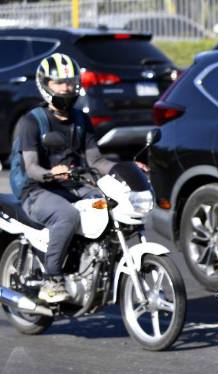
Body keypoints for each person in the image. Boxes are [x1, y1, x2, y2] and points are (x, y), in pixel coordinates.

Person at [17, 53, 119, 303]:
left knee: (111, 206)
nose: (67, 87)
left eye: (71, 81)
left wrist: (124, 170)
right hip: (37, 190)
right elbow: (30, 167)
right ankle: (52, 280)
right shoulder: (32, 121)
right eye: (59, 82)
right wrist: (51, 172)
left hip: (72, 184)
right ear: (45, 84)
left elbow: (96, 160)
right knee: (67, 215)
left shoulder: (81, 119)